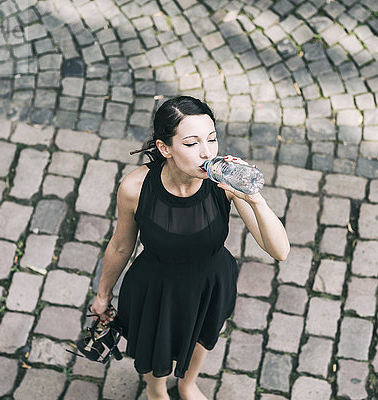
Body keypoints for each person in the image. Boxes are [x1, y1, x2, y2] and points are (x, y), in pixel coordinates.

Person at [90, 96, 290, 400]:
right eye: (192, 143)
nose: (207, 152)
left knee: (201, 338)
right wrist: (103, 294)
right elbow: (120, 246)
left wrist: (253, 197)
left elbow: (279, 251)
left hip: (210, 282)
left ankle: (187, 384)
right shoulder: (135, 187)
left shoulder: (224, 185)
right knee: (154, 347)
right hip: (156, 288)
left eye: (211, 139)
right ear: (164, 148)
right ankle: (156, 391)